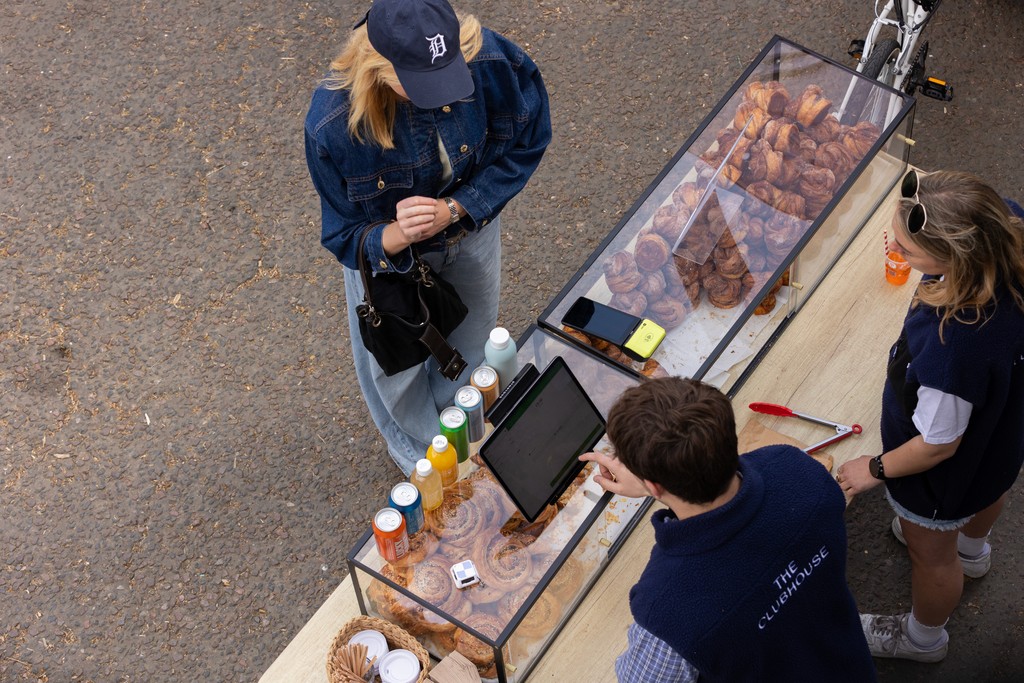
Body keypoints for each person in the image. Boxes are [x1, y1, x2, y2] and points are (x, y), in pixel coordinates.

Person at [304, 0, 551, 474]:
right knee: (397, 370)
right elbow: (342, 236)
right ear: (377, 66)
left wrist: (457, 208)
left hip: (468, 230)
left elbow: (530, 138)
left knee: (473, 335)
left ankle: (462, 422)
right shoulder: (331, 124)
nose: (438, 97)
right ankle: (424, 454)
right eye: (418, 84)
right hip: (388, 264)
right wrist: (394, 235)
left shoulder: (489, 57)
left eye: (446, 77)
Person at [836, 170, 1024, 662]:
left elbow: (937, 444)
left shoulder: (954, 345)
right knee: (991, 488)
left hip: (942, 481)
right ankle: (973, 550)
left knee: (930, 554)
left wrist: (873, 469)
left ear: (956, 260)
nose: (895, 251)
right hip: (1001, 438)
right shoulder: (1005, 229)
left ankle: (923, 638)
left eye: (907, 251)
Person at [581, 377, 876, 682]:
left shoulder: (665, 605)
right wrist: (656, 480)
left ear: (654, 486)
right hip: (845, 661)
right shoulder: (799, 470)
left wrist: (656, 482)